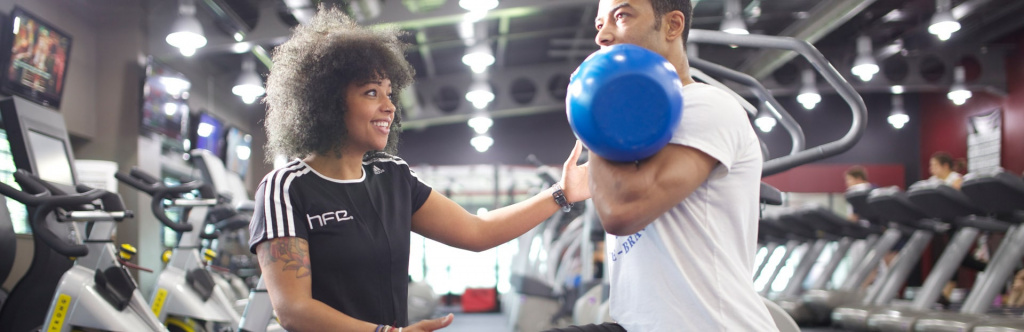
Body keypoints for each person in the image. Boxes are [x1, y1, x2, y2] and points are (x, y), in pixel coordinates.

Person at [247, 7, 590, 332]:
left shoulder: (393, 176)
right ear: (326, 103)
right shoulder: (286, 188)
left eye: (389, 93)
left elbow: (477, 231)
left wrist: (561, 193)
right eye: (371, 93)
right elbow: (293, 310)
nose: (390, 106)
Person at [563, 0, 777, 330]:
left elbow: (621, 211)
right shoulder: (637, 121)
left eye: (621, 16)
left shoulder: (706, 105)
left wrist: (596, 108)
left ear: (672, 26)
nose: (603, 35)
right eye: (599, 23)